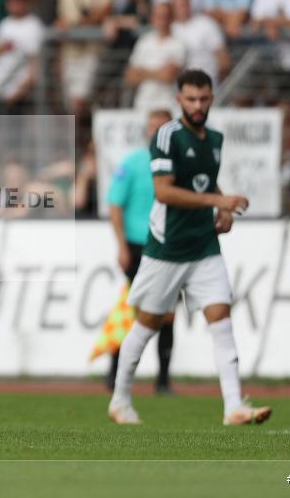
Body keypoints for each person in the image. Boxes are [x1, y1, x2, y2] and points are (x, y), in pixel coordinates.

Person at [109, 69, 272, 427]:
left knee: (221, 318)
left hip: (203, 246)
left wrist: (222, 210)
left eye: (203, 99)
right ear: (179, 100)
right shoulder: (166, 136)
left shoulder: (214, 139)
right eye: (191, 99)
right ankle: (120, 399)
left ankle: (233, 406)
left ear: (212, 98)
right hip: (166, 248)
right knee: (147, 324)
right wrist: (218, 198)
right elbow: (164, 191)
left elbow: (207, 183)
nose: (198, 106)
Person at [105, 110, 174, 394]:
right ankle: (115, 373)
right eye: (152, 127)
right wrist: (121, 245)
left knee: (168, 314)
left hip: (169, 247)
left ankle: (162, 380)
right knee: (136, 310)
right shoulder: (133, 163)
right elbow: (114, 205)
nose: (156, 132)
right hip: (137, 245)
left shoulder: (178, 166)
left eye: (162, 127)